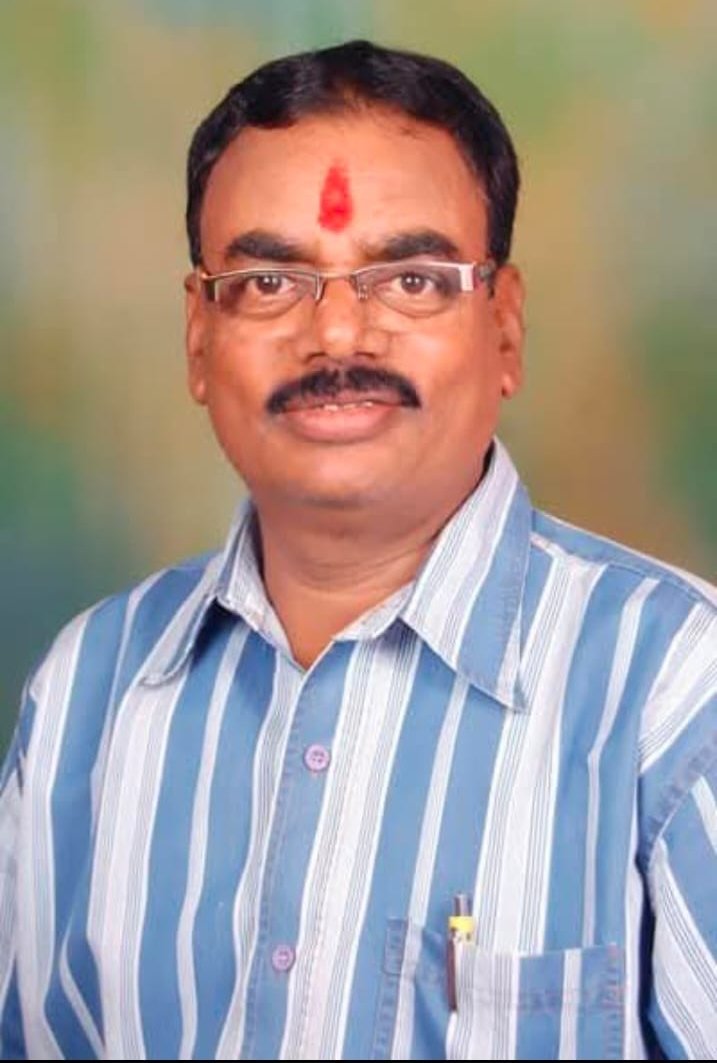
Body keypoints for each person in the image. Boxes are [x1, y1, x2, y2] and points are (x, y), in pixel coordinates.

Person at [0, 38, 714, 1062]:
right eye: (268, 281)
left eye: (412, 278)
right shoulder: (86, 693)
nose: (337, 336)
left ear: (505, 327)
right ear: (198, 337)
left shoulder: (676, 692)